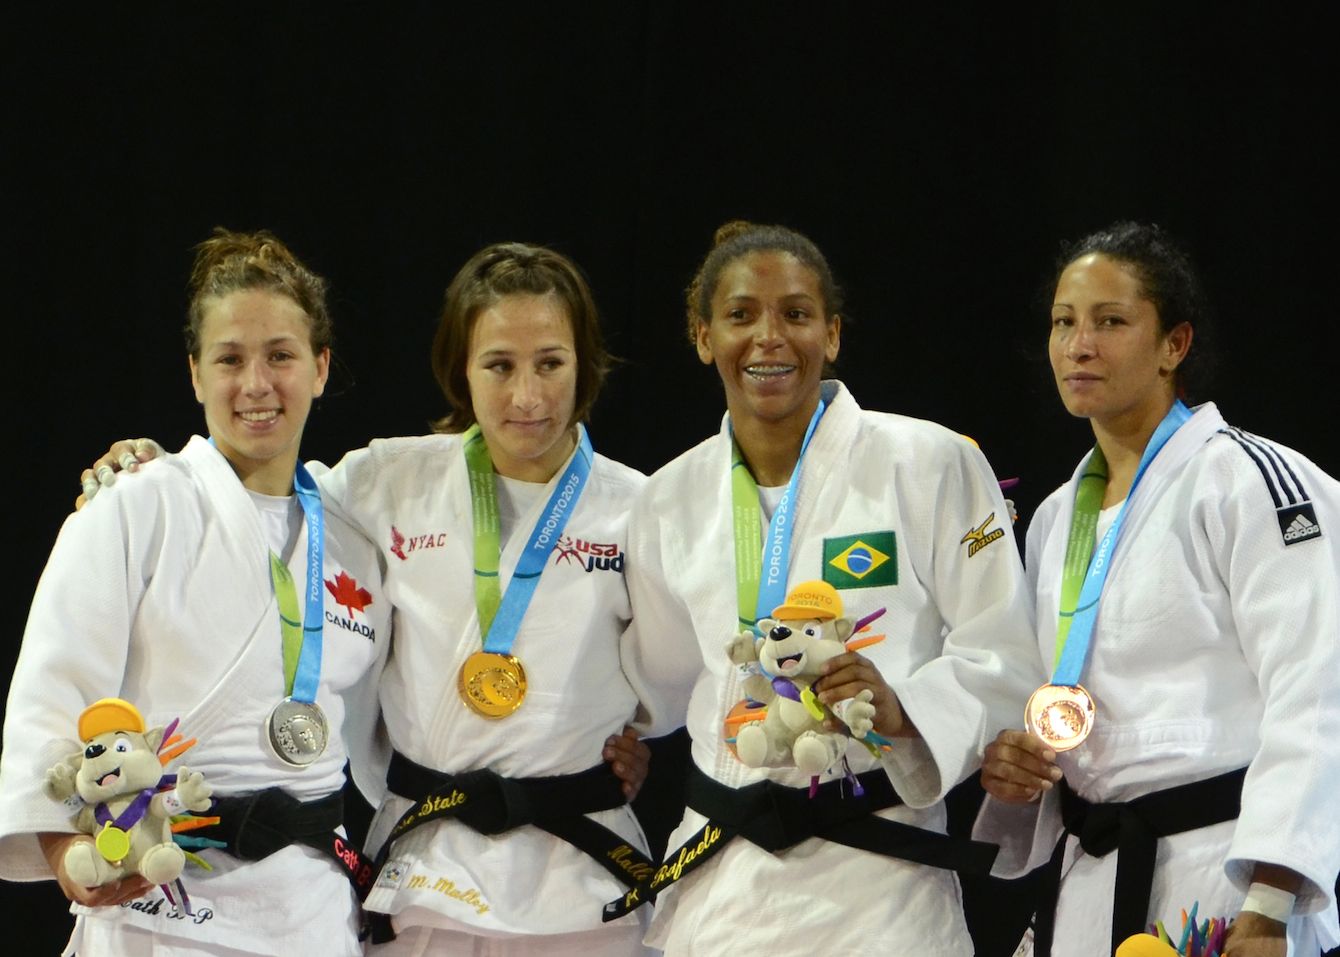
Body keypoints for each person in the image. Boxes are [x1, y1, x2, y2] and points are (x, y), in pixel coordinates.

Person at [77, 241, 657, 956]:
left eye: (551, 363)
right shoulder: (389, 479)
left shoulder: (641, 506)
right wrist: (156, 467)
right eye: (499, 365)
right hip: (429, 870)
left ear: (585, 363)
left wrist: (642, 737)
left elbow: (680, 662)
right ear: (461, 370)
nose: (527, 396)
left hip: (580, 867)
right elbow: (262, 499)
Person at [613, 220, 1040, 954]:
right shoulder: (667, 499)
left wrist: (903, 710)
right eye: (741, 315)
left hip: (883, 892)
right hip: (724, 886)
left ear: (833, 333)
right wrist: (615, 739)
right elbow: (657, 681)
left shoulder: (929, 461)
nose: (769, 338)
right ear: (703, 335)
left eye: (797, 314)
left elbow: (1003, 653)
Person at [0, 229, 393, 955]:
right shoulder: (135, 504)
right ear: (193, 373)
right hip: (157, 904)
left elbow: (382, 722)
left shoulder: (355, 540)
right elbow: (50, 690)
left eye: (280, 355)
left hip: (308, 913)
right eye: (230, 359)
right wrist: (65, 853)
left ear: (321, 367)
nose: (256, 384)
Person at [975, 222, 1340, 956]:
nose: (1080, 345)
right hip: (1092, 874)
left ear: (1175, 344)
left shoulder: (1252, 481)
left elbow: (1319, 686)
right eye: (1064, 323)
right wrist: (1014, 758)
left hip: (1226, 874)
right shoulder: (1054, 520)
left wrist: (1270, 901)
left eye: (1111, 321)